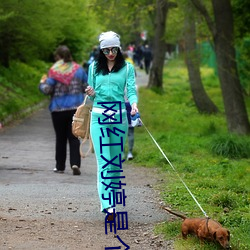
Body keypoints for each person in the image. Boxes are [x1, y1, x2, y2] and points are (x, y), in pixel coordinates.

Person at [85, 31, 138, 219]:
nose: (110, 53)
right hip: (99, 117)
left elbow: (131, 90)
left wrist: (134, 104)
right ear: (101, 50)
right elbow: (91, 95)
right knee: (104, 162)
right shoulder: (93, 68)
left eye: (113, 49)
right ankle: (108, 205)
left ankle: (113, 201)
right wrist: (90, 92)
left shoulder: (127, 68)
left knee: (115, 163)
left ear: (119, 48)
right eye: (106, 50)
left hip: (119, 117)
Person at [39, 45, 88, 175]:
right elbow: (86, 87)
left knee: (60, 138)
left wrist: (42, 83)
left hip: (58, 109)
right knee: (74, 137)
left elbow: (47, 90)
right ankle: (75, 163)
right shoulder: (79, 70)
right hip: (75, 109)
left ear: (58, 57)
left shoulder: (54, 71)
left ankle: (60, 166)